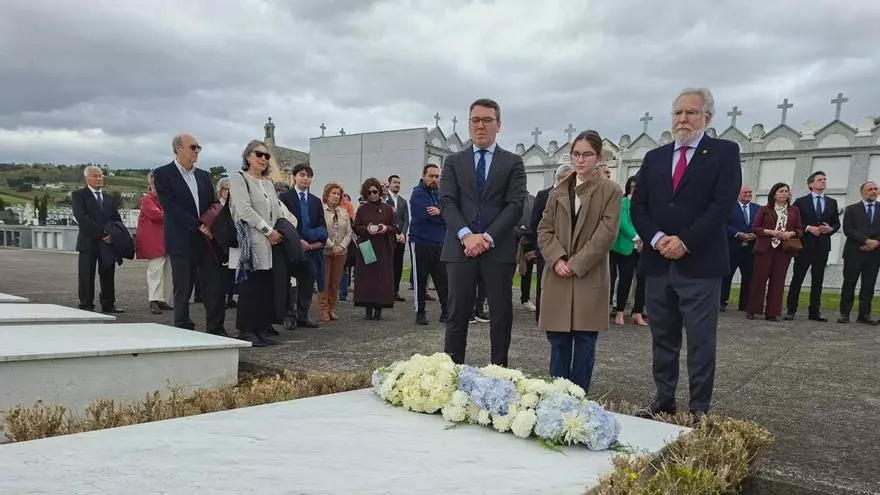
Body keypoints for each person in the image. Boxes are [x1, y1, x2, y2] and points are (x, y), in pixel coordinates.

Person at [630, 88, 742, 418]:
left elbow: (722, 205)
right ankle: (664, 400)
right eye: (678, 112)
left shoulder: (723, 152)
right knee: (662, 339)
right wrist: (659, 238)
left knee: (700, 342)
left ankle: (698, 409)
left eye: (691, 112)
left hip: (700, 264)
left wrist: (685, 241)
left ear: (707, 117)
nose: (683, 119)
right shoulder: (655, 158)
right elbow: (640, 207)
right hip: (658, 263)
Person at [440, 98, 528, 367]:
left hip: (497, 249)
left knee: (501, 316)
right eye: (475, 120)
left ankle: (499, 373)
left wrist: (487, 238)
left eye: (487, 120)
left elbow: (515, 205)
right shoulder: (453, 161)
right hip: (460, 248)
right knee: (456, 314)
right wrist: (467, 235)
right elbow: (446, 202)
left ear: (498, 125)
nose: (480, 126)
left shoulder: (512, 162)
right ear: (469, 124)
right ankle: (451, 374)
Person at [537, 130, 622, 393]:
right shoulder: (559, 190)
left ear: (598, 157)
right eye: (576, 154)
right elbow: (544, 229)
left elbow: (606, 234)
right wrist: (557, 258)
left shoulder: (611, 191)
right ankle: (557, 397)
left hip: (588, 276)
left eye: (587, 154)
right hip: (558, 275)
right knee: (558, 341)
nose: (580, 160)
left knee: (585, 341)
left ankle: (578, 398)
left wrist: (575, 263)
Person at [153, 134, 228, 336]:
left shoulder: (203, 175)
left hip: (205, 240)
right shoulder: (162, 174)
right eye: (193, 147)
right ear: (179, 148)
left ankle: (216, 327)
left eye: (198, 148)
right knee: (183, 287)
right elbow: (170, 207)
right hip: (181, 239)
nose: (197, 151)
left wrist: (209, 224)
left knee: (213, 284)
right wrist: (197, 224)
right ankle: (183, 327)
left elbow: (213, 203)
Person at [229, 140, 288, 346]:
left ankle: (260, 328)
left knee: (264, 286)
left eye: (266, 156)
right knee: (250, 286)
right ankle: (246, 330)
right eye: (259, 154)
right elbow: (244, 210)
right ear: (248, 156)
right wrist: (267, 230)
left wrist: (279, 228)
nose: (263, 158)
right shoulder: (239, 179)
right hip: (252, 240)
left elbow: (276, 209)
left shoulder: (268, 183)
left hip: (270, 242)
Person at [785, 171, 840, 321]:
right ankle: (791, 309)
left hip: (822, 246)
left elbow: (836, 223)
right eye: (820, 179)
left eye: (824, 179)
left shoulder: (831, 202)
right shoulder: (801, 201)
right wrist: (808, 228)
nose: (823, 181)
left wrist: (830, 229)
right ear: (811, 184)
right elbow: (793, 222)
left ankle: (814, 311)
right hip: (805, 245)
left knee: (818, 279)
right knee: (798, 277)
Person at [279, 164, 327, 328]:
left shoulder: (315, 201)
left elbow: (322, 226)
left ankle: (302, 315)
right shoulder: (285, 198)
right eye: (302, 174)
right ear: (294, 177)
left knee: (308, 280)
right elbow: (283, 222)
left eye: (309, 175)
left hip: (311, 250)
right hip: (292, 247)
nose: (306, 178)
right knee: (289, 283)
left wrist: (314, 244)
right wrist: (298, 240)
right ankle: (289, 316)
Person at [746, 183, 803, 321]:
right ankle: (753, 309)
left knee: (778, 280)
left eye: (786, 191)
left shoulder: (794, 210)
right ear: (774, 194)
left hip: (783, 250)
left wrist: (790, 233)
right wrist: (771, 232)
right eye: (781, 191)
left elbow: (799, 230)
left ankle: (772, 312)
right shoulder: (765, 209)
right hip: (765, 247)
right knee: (759, 279)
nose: (784, 194)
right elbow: (756, 228)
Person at [72, 166, 124, 314]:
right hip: (88, 242)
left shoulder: (109, 198)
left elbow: (116, 218)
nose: (99, 178)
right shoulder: (79, 195)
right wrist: (102, 234)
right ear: (86, 178)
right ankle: (86, 304)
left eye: (101, 175)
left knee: (108, 275)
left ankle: (108, 304)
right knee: (86, 275)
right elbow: (82, 218)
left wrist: (114, 234)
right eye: (95, 176)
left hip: (107, 244)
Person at [530, 163, 573, 324]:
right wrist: (542, 244)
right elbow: (535, 222)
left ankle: (561, 316)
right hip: (546, 247)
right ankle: (541, 316)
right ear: (561, 178)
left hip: (567, 249)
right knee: (544, 284)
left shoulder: (573, 195)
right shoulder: (543, 195)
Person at [352, 178, 398, 320]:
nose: (372, 195)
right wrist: (367, 229)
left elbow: (395, 227)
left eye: (375, 191)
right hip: (367, 246)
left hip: (383, 247)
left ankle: (379, 309)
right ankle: (367, 308)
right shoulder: (362, 209)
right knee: (367, 278)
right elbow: (356, 226)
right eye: (369, 192)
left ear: (379, 191)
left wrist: (384, 228)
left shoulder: (388, 209)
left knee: (381, 278)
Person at [409, 164, 449, 325]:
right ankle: (420, 312)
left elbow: (449, 216)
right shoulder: (417, 194)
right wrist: (441, 215)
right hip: (420, 242)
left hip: (439, 242)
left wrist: (441, 212)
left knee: (442, 279)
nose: (434, 179)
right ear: (424, 176)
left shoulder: (440, 194)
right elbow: (425, 216)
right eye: (431, 176)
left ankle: (446, 311)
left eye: (437, 176)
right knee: (421, 279)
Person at [838, 181, 880, 325]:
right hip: (854, 253)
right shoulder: (852, 209)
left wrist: (875, 243)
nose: (873, 191)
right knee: (849, 284)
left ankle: (864, 315)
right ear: (863, 192)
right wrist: (866, 241)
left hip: (875, 254)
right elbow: (848, 230)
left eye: (875, 189)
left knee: (868, 285)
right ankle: (844, 313)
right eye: (870, 189)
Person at [136, 171, 173, 315]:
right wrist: (172, 215)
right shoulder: (148, 199)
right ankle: (154, 299)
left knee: (167, 270)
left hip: (165, 239)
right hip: (154, 239)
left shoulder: (163, 199)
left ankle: (163, 299)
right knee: (156, 269)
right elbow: (156, 215)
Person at [721, 185, 760, 312]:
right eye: (745, 192)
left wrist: (755, 234)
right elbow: (723, 224)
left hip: (750, 249)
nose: (748, 194)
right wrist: (737, 234)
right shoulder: (729, 207)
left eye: (750, 192)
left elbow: (760, 225)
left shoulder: (757, 208)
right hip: (732, 248)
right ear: (738, 194)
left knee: (749, 277)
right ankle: (722, 301)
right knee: (726, 276)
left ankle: (744, 304)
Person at [609, 175, 642, 325]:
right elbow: (622, 222)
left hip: (644, 247)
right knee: (625, 279)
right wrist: (636, 238)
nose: (635, 190)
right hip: (626, 247)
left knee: (642, 280)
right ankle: (620, 311)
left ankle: (638, 312)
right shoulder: (623, 202)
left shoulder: (646, 204)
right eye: (632, 187)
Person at [317, 182, 352, 322]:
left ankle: (332, 308)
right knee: (324, 281)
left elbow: (349, 232)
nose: (336, 196)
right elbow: (320, 230)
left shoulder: (343, 212)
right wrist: (332, 246)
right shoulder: (320, 210)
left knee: (335, 282)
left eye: (339, 194)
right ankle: (323, 309)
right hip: (325, 250)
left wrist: (342, 247)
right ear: (327, 194)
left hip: (341, 252)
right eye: (334, 193)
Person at [384, 175, 409, 302]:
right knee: (387, 264)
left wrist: (403, 234)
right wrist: (393, 234)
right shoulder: (383, 199)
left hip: (400, 238)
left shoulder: (403, 201)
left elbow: (406, 220)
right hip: (388, 237)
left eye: (399, 182)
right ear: (388, 184)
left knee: (398, 265)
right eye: (394, 182)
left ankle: (395, 291)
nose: (397, 184)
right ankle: (386, 291)